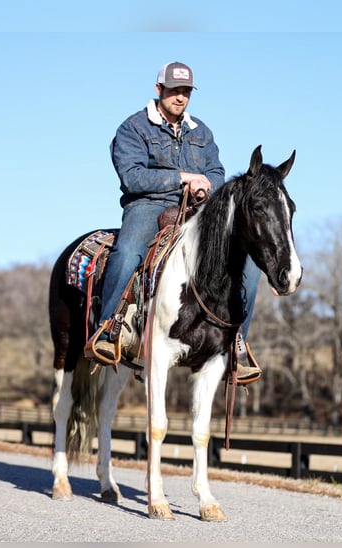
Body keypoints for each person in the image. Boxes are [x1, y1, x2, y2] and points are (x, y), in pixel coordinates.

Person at [87, 61, 261, 382]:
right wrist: (182, 178)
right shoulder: (134, 128)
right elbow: (132, 176)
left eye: (186, 92)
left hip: (199, 208)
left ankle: (236, 342)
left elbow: (217, 172)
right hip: (149, 205)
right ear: (159, 90)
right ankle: (108, 328)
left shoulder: (201, 132)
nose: (181, 98)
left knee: (248, 263)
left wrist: (206, 185)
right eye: (175, 91)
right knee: (128, 252)